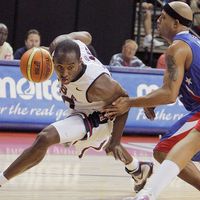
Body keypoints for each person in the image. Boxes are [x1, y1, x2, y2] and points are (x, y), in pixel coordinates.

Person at [0, 31, 153, 194]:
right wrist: (42, 54)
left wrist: (116, 140)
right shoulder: (57, 46)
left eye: (70, 67)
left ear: (79, 62)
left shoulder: (98, 84)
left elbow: (124, 101)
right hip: (79, 105)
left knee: (45, 138)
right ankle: (138, 169)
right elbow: (87, 36)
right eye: (59, 67)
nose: (64, 74)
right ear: (52, 59)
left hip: (101, 112)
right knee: (104, 146)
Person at [103, 2, 200, 199]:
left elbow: (169, 94)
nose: (158, 20)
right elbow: (169, 89)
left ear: (175, 23)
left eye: (163, 17)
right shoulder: (194, 41)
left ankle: (148, 194)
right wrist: (151, 100)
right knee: (170, 150)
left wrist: (129, 102)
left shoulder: (177, 48)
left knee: (165, 150)